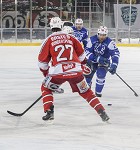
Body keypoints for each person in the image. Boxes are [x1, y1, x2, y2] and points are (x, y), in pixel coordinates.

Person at [38, 17, 110, 122]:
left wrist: (46, 74)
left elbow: (42, 63)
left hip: (58, 73)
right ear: (62, 26)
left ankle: (49, 111)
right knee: (86, 92)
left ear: (50, 27)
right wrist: (81, 65)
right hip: (76, 71)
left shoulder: (48, 40)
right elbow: (81, 56)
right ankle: (102, 112)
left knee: (46, 88)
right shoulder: (71, 37)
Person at [84, 26, 120, 97]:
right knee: (88, 75)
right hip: (92, 61)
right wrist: (96, 58)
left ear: (106, 35)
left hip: (104, 62)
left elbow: (115, 54)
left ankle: (98, 92)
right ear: (97, 34)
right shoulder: (91, 40)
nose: (102, 37)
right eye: (100, 34)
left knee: (101, 75)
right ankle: (87, 90)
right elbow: (86, 51)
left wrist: (114, 65)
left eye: (104, 35)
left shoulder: (110, 42)